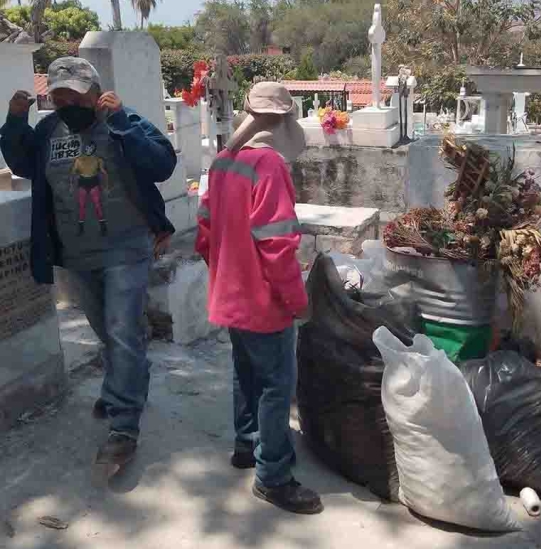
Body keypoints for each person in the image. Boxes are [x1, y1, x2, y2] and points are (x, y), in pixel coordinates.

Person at [0, 57, 177, 474]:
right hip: (76, 256)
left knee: (121, 333)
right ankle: (126, 384)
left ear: (96, 94)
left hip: (126, 249)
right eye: (59, 97)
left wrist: (122, 123)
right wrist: (14, 122)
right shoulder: (48, 130)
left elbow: (162, 165)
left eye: (75, 96)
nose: (67, 104)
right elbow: (24, 164)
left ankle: (123, 428)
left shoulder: (123, 119)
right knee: (109, 333)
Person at [196, 82, 322, 515]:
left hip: (229, 295)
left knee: (245, 374)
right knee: (275, 385)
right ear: (284, 121)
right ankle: (273, 476)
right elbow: (276, 243)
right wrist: (297, 298)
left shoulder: (223, 162)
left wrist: (226, 272)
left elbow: (205, 233)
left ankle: (246, 446)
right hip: (263, 300)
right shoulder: (268, 165)